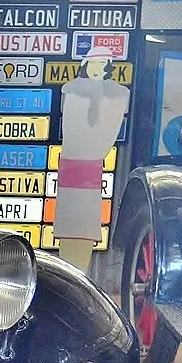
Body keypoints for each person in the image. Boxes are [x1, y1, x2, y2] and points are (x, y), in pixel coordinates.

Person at [56, 47, 129, 270]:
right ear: (86, 65)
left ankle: (80, 276)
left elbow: (109, 132)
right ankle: (68, 274)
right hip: (71, 165)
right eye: (94, 64)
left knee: (85, 229)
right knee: (69, 229)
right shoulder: (71, 91)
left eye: (102, 64)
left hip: (91, 168)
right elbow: (70, 130)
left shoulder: (118, 95)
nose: (97, 69)